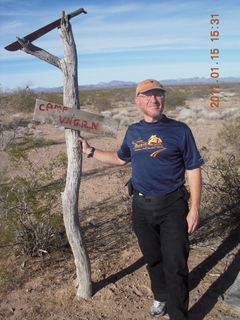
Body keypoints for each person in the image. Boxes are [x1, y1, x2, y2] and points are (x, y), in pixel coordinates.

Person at [77, 79, 204, 320]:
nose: (154, 100)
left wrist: (195, 208)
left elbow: (194, 169)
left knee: (176, 263)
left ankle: (178, 315)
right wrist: (90, 151)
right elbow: (120, 158)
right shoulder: (133, 131)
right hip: (141, 206)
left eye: (158, 95)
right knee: (153, 258)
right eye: (147, 96)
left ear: (163, 99)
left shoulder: (180, 130)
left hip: (173, 205)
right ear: (138, 101)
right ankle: (161, 296)